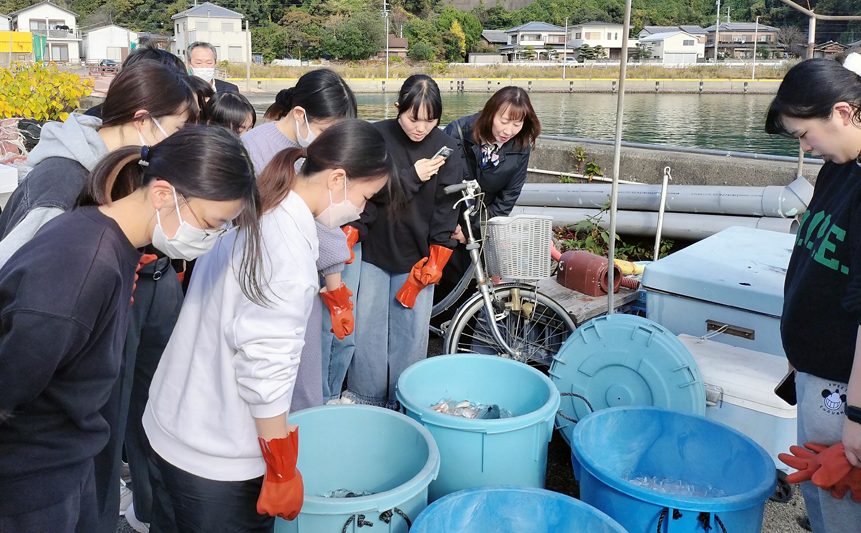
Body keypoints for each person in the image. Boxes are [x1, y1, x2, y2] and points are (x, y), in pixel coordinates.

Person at [0, 125, 260, 533]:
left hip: (66, 457)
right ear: (162, 194)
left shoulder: (110, 240)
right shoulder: (83, 268)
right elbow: (11, 383)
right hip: (32, 479)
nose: (212, 237)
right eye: (212, 222)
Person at [143, 119, 392, 532]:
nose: (361, 210)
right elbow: (266, 370)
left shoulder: (265, 203)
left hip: (173, 421)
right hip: (215, 456)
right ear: (337, 179)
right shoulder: (288, 251)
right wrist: (281, 468)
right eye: (365, 196)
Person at [765, 54, 861, 533]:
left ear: (843, 113)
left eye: (806, 134)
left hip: (846, 390)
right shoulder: (839, 169)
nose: (805, 147)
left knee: (844, 503)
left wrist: (858, 418)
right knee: (818, 497)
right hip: (814, 370)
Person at [341, 74, 462, 408]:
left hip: (419, 255)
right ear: (398, 108)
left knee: (411, 333)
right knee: (367, 330)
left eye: (430, 120)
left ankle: (405, 398)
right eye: (412, 118)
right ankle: (366, 394)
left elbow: (445, 208)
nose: (420, 128)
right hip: (375, 247)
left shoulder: (446, 147)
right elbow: (366, 195)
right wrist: (411, 176)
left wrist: (438, 255)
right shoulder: (377, 136)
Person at [242, 68, 359, 408]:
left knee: (305, 371)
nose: (330, 140)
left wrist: (336, 288)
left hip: (302, 279)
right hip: (262, 283)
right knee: (268, 383)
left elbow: (325, 223)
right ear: (299, 115)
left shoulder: (316, 150)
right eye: (326, 130)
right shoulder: (253, 149)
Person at [436, 86, 541, 311]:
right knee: (443, 279)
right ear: (490, 112)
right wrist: (453, 225)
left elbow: (508, 196)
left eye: (517, 123)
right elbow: (442, 183)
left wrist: (472, 229)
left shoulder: (521, 145)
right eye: (504, 121)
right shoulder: (459, 131)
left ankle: (463, 338)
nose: (509, 130)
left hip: (484, 221)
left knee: (476, 284)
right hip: (449, 218)